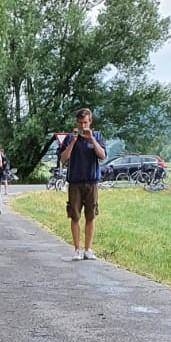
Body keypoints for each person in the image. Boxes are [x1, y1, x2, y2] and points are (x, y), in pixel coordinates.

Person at [58, 107, 107, 261]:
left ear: (90, 122)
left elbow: (102, 156)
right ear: (77, 123)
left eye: (85, 123)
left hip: (91, 181)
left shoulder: (97, 136)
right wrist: (72, 142)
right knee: (74, 216)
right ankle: (77, 249)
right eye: (80, 123)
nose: (83, 126)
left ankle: (88, 249)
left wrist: (91, 139)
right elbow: (63, 158)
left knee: (91, 216)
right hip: (75, 182)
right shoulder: (70, 137)